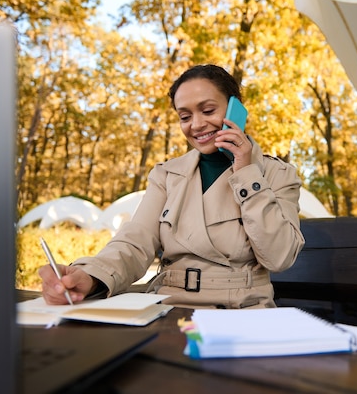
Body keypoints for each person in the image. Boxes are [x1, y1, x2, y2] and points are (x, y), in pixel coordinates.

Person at [39, 64, 305, 309]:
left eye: (209, 110)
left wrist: (247, 171)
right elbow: (135, 242)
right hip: (167, 305)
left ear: (237, 108)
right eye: (185, 116)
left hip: (242, 310)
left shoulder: (276, 174)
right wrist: (90, 275)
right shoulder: (167, 174)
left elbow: (279, 257)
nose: (197, 125)